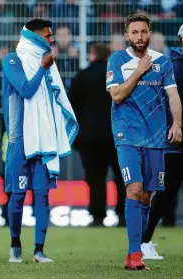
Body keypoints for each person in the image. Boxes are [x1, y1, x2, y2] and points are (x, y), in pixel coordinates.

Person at [106, 14, 181, 270]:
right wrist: (138, 72)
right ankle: (135, 253)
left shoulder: (162, 62)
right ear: (127, 36)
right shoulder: (117, 60)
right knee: (134, 189)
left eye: (144, 31)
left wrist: (177, 123)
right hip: (126, 136)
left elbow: (173, 96)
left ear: (149, 34)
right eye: (135, 32)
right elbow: (116, 95)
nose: (140, 36)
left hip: (156, 138)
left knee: (147, 195)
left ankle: (133, 254)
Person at [3, 19, 78, 264]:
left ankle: (39, 250)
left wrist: (45, 67)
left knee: (43, 196)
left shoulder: (47, 63)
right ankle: (15, 245)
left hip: (43, 141)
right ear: (35, 37)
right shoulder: (12, 60)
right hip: (19, 140)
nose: (51, 40)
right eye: (47, 36)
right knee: (17, 197)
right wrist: (43, 69)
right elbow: (26, 90)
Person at [69, 43, 126, 226]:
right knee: (121, 177)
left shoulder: (82, 76)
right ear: (108, 56)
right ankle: (123, 215)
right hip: (115, 136)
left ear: (92, 54)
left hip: (89, 138)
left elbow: (72, 106)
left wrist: (75, 137)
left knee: (95, 178)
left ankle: (98, 215)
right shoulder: (117, 77)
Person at [141, 24, 183, 260]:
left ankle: (145, 240)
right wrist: (174, 126)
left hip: (173, 137)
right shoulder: (176, 66)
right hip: (175, 139)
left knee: (166, 193)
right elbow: (171, 103)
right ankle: (144, 241)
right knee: (166, 193)